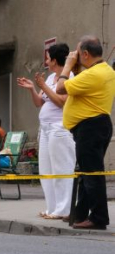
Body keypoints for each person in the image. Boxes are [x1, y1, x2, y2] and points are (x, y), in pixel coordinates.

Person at [56, 35, 115, 230]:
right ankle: (80, 213)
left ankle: (98, 218)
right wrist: (76, 68)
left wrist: (67, 66)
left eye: (78, 52)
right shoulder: (103, 70)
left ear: (86, 54)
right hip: (94, 126)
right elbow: (81, 82)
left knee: (91, 174)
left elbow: (60, 87)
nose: (75, 55)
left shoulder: (94, 75)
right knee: (85, 172)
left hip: (91, 128)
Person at [17, 43, 76, 220]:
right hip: (45, 129)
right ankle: (52, 207)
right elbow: (39, 103)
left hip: (59, 128)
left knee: (61, 169)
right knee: (46, 170)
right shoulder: (51, 78)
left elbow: (61, 102)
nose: (46, 61)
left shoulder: (69, 77)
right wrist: (33, 89)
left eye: (49, 58)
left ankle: (64, 209)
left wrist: (43, 86)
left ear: (56, 60)